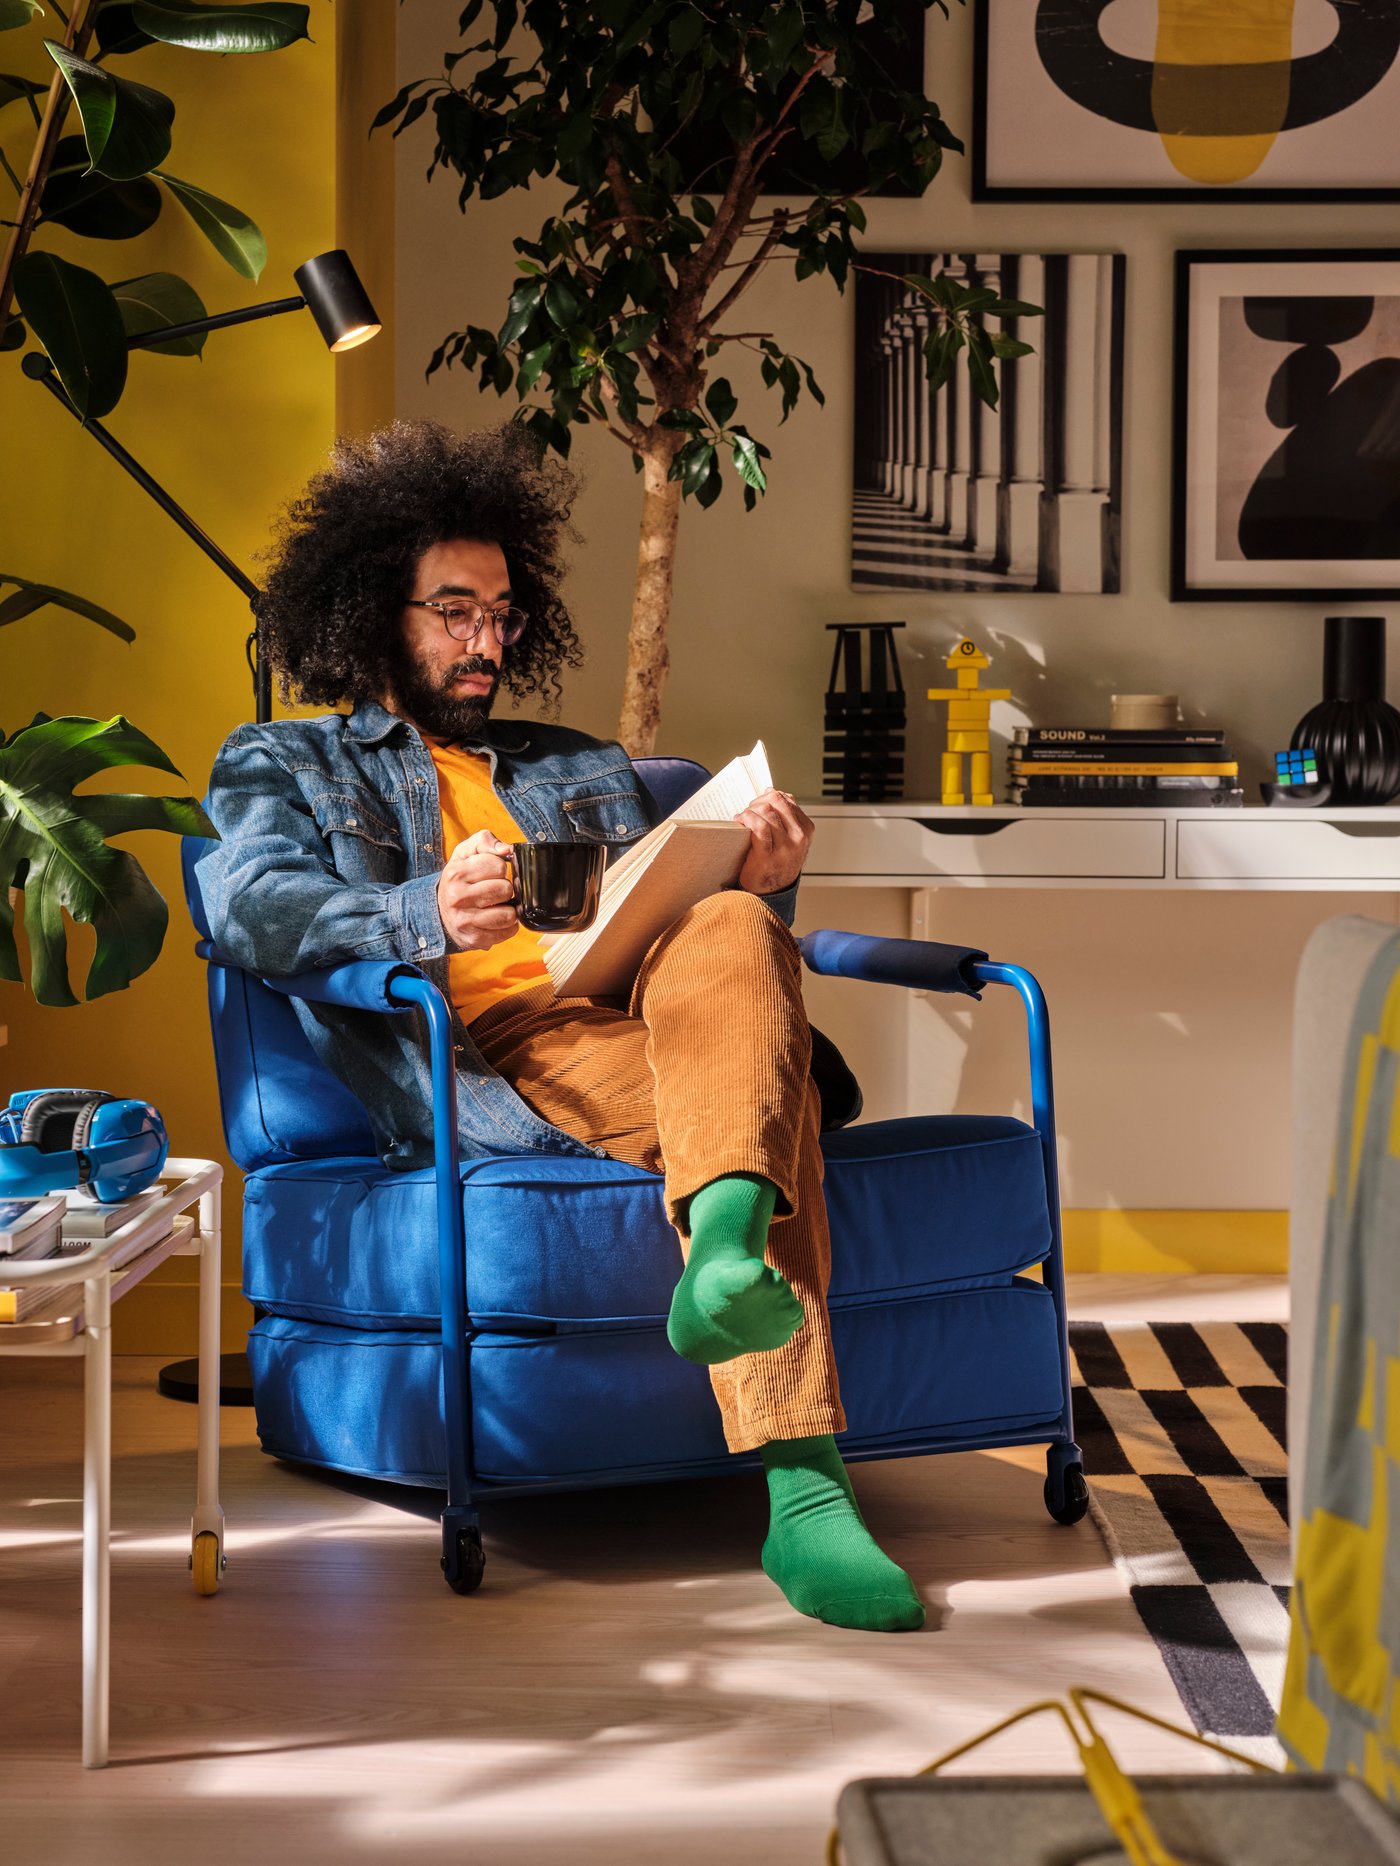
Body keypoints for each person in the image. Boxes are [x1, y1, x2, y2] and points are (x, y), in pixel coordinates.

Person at [199, 420, 923, 1633]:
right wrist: (417, 906)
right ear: (378, 607)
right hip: (501, 1047)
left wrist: (766, 875)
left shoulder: (573, 760)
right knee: (765, 1101)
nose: (487, 641)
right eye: (454, 612)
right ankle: (806, 1493)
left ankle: (729, 1260)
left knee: (740, 932)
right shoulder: (285, 758)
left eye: (501, 613)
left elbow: (691, 919)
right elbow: (252, 910)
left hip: (651, 1000)